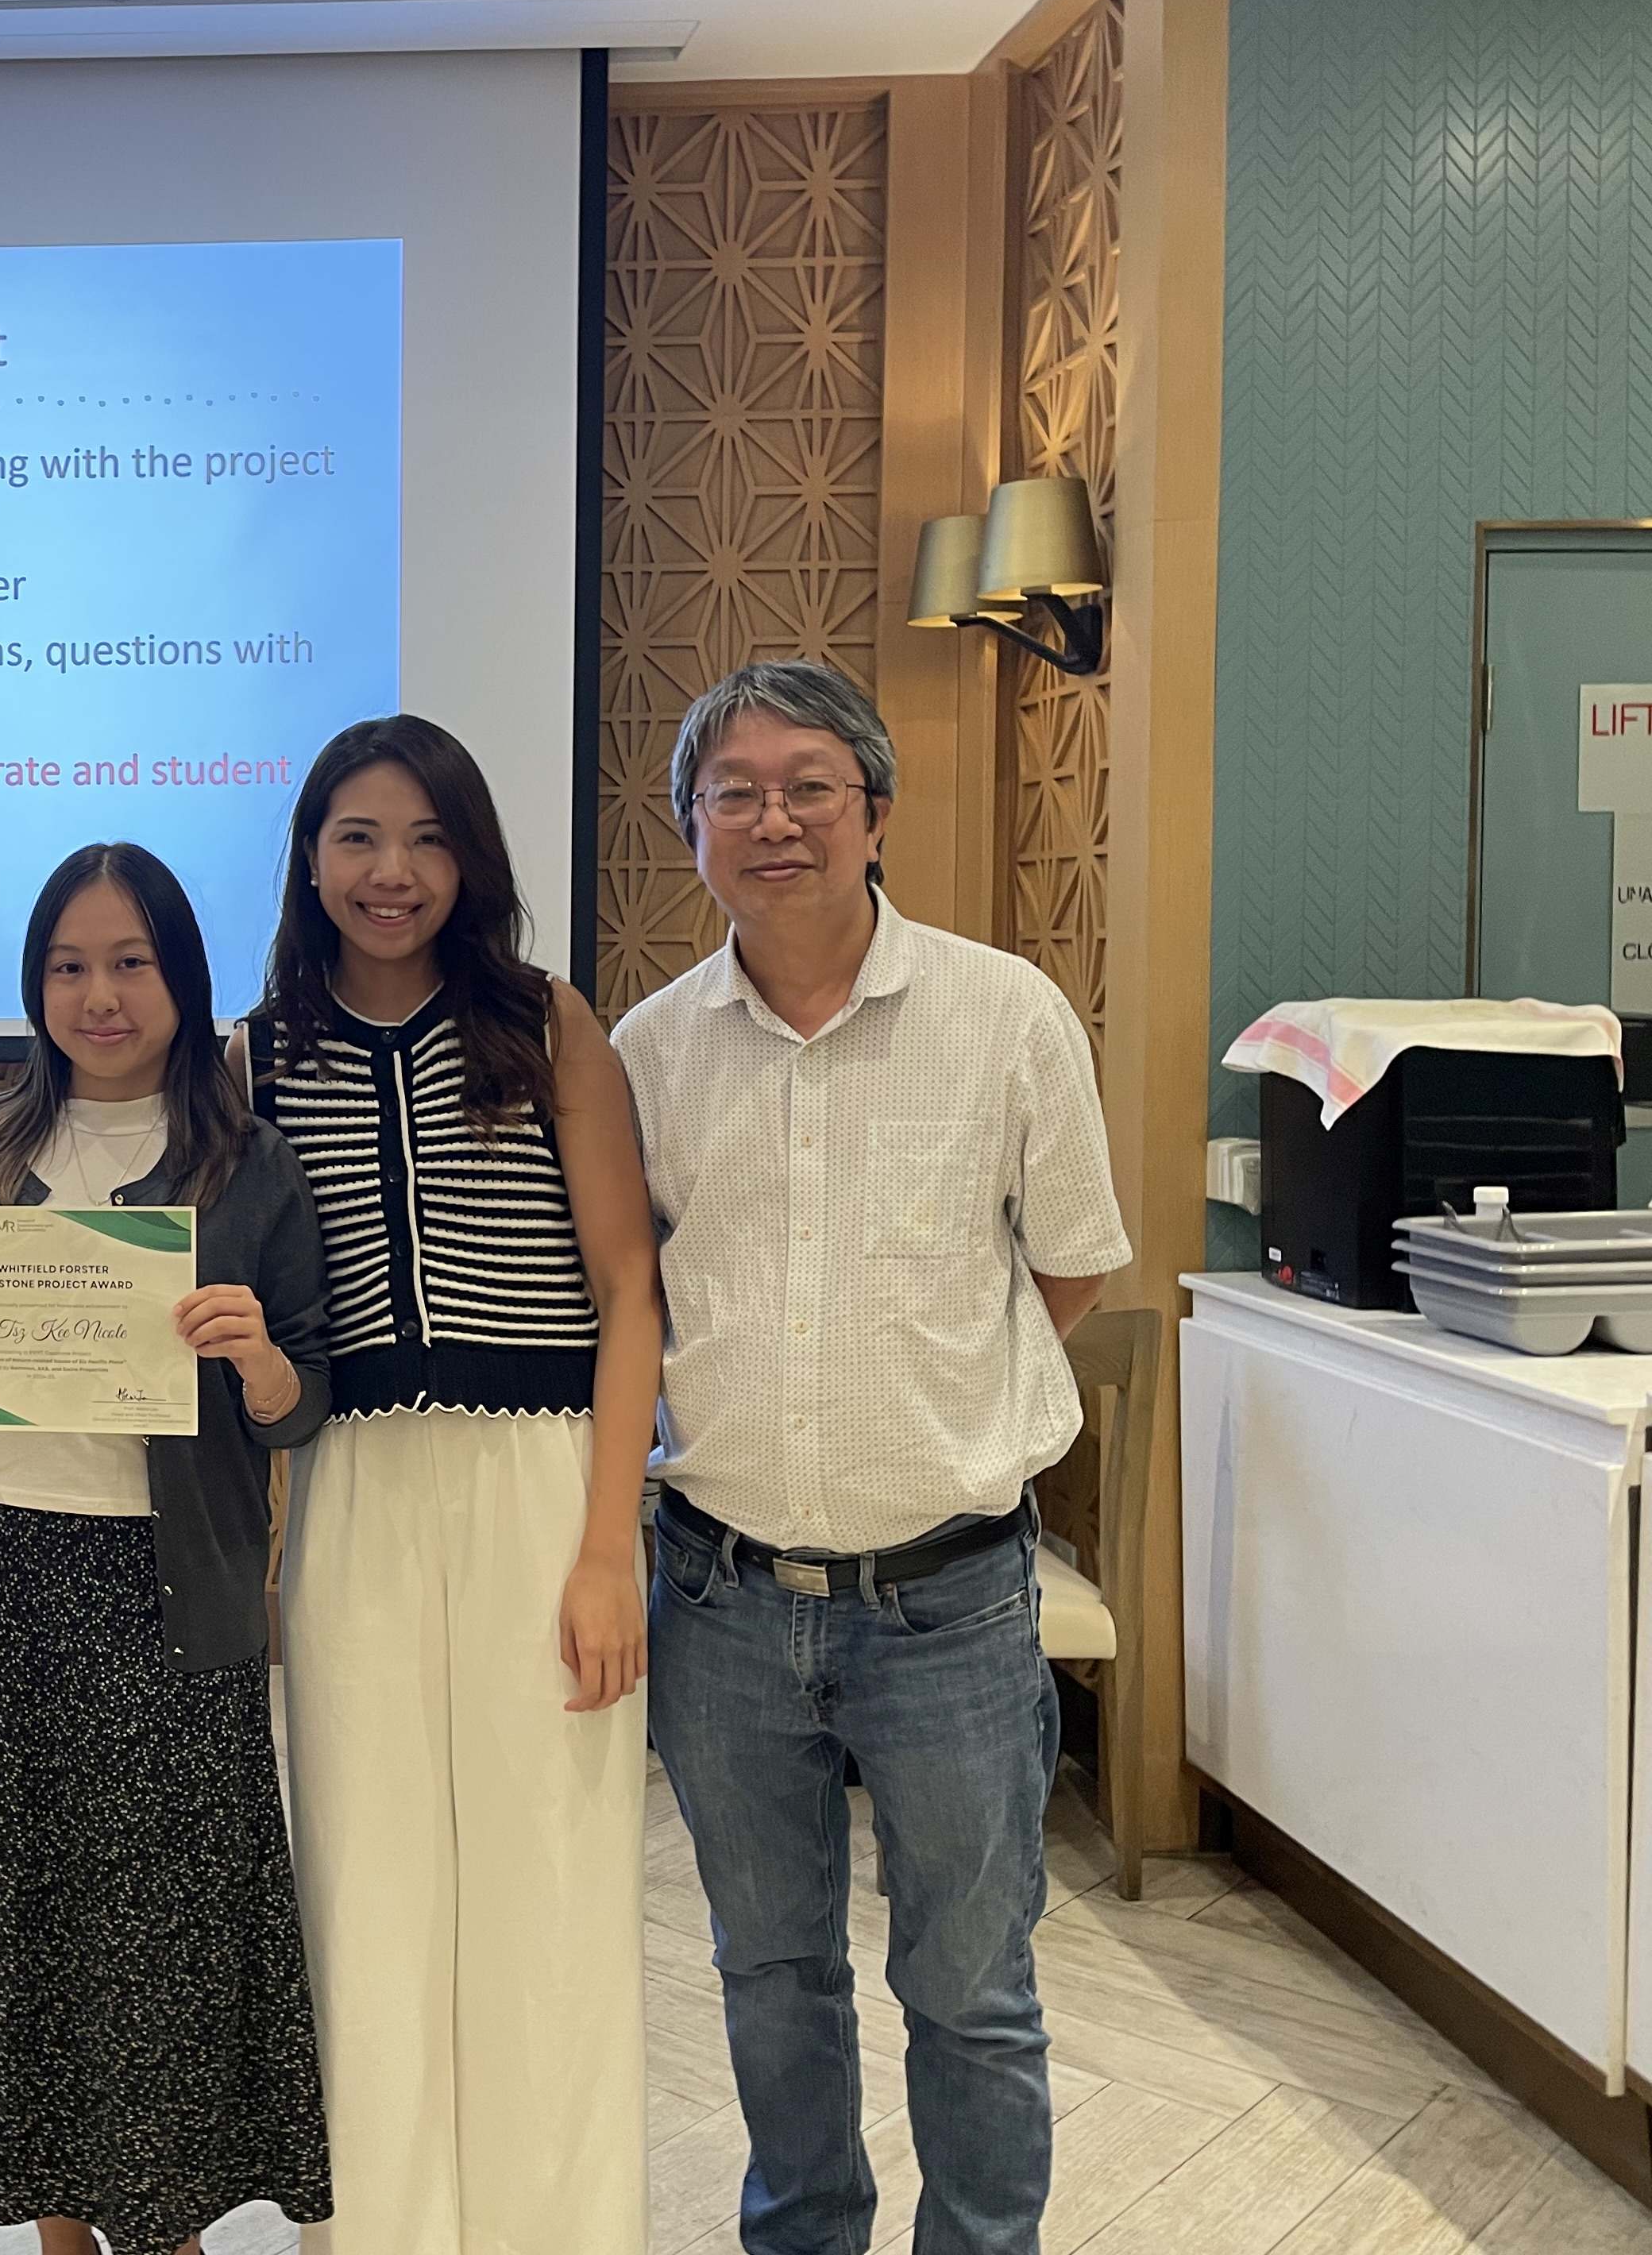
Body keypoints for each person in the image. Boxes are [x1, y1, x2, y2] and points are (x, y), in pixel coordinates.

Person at [611, 661, 1129, 2255]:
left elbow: (1071, 1265)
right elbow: (633, 1297)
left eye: (808, 787)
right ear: (690, 829)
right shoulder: (646, 1051)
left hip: (954, 1606)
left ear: (876, 812)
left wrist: (938, 1402)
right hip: (723, 1596)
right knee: (769, 1979)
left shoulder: (1006, 1015)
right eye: (735, 794)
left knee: (971, 1987)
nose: (773, 820)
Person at [0, 842, 334, 2255]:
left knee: (158, 1959)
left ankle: (166, 2231)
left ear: (182, 979)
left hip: (164, 1601)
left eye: (130, 962)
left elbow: (306, 1399)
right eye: (70, 965)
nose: (100, 994)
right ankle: (63, 2233)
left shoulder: (251, 1167)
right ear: (36, 985)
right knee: (22, 1941)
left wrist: (255, 1360)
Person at [241, 713, 660, 2254]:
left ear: (471, 855)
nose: (392, 871)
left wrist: (609, 1547)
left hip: (540, 1487)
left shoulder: (550, 1026)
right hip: (349, 1498)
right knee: (367, 1886)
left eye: (426, 837)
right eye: (357, 835)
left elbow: (628, 1293)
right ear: (309, 855)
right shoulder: (258, 1053)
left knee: (548, 1884)